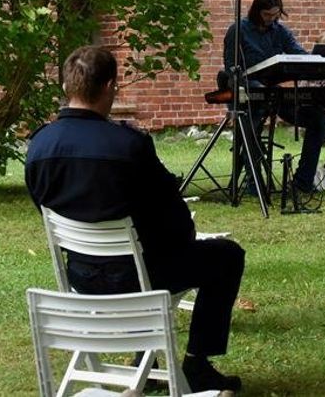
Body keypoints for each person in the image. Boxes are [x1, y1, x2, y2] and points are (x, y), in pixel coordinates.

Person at [25, 46, 245, 392]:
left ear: (67, 87)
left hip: (80, 277)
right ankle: (197, 364)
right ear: (111, 86)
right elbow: (174, 220)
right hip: (139, 277)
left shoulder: (39, 146)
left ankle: (148, 357)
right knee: (227, 255)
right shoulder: (129, 146)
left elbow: (45, 209)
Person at [223, 0, 325, 192]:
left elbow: (299, 55)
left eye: (275, 14)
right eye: (266, 14)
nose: (271, 19)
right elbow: (230, 68)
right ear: (257, 11)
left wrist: (322, 60)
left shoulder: (281, 31)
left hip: (275, 94)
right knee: (251, 120)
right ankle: (255, 182)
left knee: (319, 119)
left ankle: (302, 182)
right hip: (249, 93)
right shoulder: (238, 29)